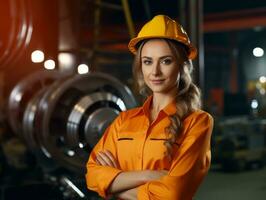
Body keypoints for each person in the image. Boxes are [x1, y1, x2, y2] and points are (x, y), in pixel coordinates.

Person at [85, 15, 213, 200]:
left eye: (166, 61)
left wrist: (115, 186)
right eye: (147, 61)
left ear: (182, 66)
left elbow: (172, 194)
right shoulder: (124, 120)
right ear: (140, 66)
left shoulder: (198, 122)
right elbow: (92, 176)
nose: (155, 71)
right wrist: (148, 175)